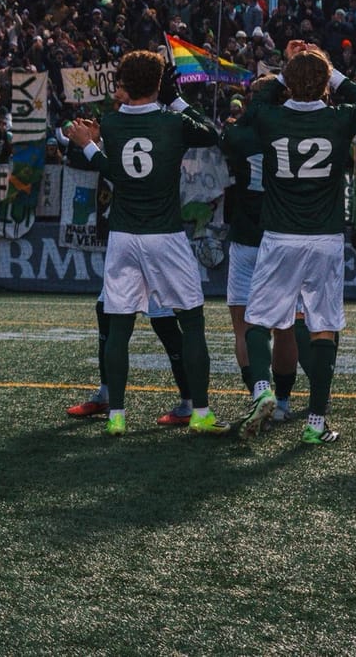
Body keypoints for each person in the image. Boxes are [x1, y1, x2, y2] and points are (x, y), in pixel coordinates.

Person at [66, 50, 230, 437]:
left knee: (119, 326)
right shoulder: (173, 122)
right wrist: (176, 98)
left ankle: (117, 416)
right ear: (158, 84)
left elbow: (110, 169)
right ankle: (200, 412)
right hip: (165, 235)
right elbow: (211, 133)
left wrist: (88, 144)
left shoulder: (111, 123)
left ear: (125, 85)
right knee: (192, 323)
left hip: (124, 236)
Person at [224, 41, 356, 446]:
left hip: (279, 236)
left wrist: (285, 73)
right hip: (325, 238)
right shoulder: (339, 118)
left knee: (258, 319)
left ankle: (262, 389)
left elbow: (254, 107)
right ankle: (315, 422)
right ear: (325, 84)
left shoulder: (270, 116)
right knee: (322, 328)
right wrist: (329, 69)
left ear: (288, 84)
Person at [219, 75, 307, 424]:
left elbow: (227, 140)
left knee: (244, 326)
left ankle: (259, 393)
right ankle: (282, 401)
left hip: (247, 236)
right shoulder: (297, 131)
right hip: (285, 235)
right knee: (285, 327)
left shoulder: (241, 133)